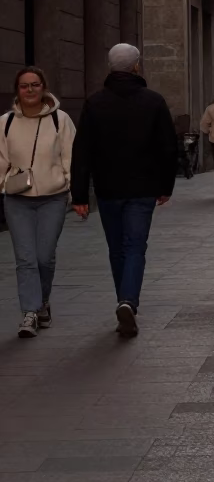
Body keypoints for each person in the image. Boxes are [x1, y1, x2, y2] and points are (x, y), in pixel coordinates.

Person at [71, 44, 176, 338]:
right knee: (135, 246)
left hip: (108, 188)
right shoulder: (153, 101)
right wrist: (166, 185)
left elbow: (82, 151)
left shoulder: (95, 103)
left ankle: (124, 301)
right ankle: (127, 301)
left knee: (117, 248)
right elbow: (168, 147)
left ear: (110, 67)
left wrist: (79, 194)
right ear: (136, 67)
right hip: (142, 188)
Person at [0, 67, 76, 338]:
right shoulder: (5, 122)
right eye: (24, 86)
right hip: (17, 199)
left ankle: (43, 302)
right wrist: (3, 185)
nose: (30, 90)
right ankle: (30, 312)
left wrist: (71, 191)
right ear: (17, 90)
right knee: (25, 258)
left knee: (44, 257)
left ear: (43, 87)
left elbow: (70, 158)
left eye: (35, 85)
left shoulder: (60, 120)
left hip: (52, 198)